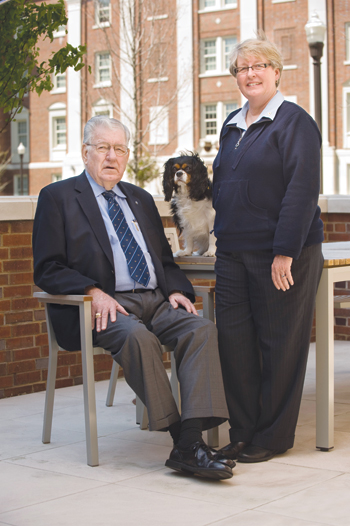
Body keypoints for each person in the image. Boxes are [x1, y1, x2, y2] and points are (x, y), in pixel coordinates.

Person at [32, 115, 233, 480]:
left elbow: (164, 259)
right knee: (139, 338)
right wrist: (93, 292)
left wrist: (175, 289)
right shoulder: (57, 197)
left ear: (127, 155)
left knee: (202, 330)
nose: (112, 156)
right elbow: (47, 268)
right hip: (101, 307)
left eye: (120, 149)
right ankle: (184, 441)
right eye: (103, 148)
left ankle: (188, 443)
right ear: (85, 152)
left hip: (155, 299)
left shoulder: (139, 198)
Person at [212, 34, 324, 463]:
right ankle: (242, 431)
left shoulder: (295, 122)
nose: (251, 73)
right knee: (235, 343)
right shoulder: (230, 124)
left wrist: (285, 251)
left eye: (259, 65)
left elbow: (301, 189)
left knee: (279, 345)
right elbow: (225, 184)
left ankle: (272, 437)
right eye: (242, 68)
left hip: (281, 254)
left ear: (276, 71)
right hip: (233, 253)